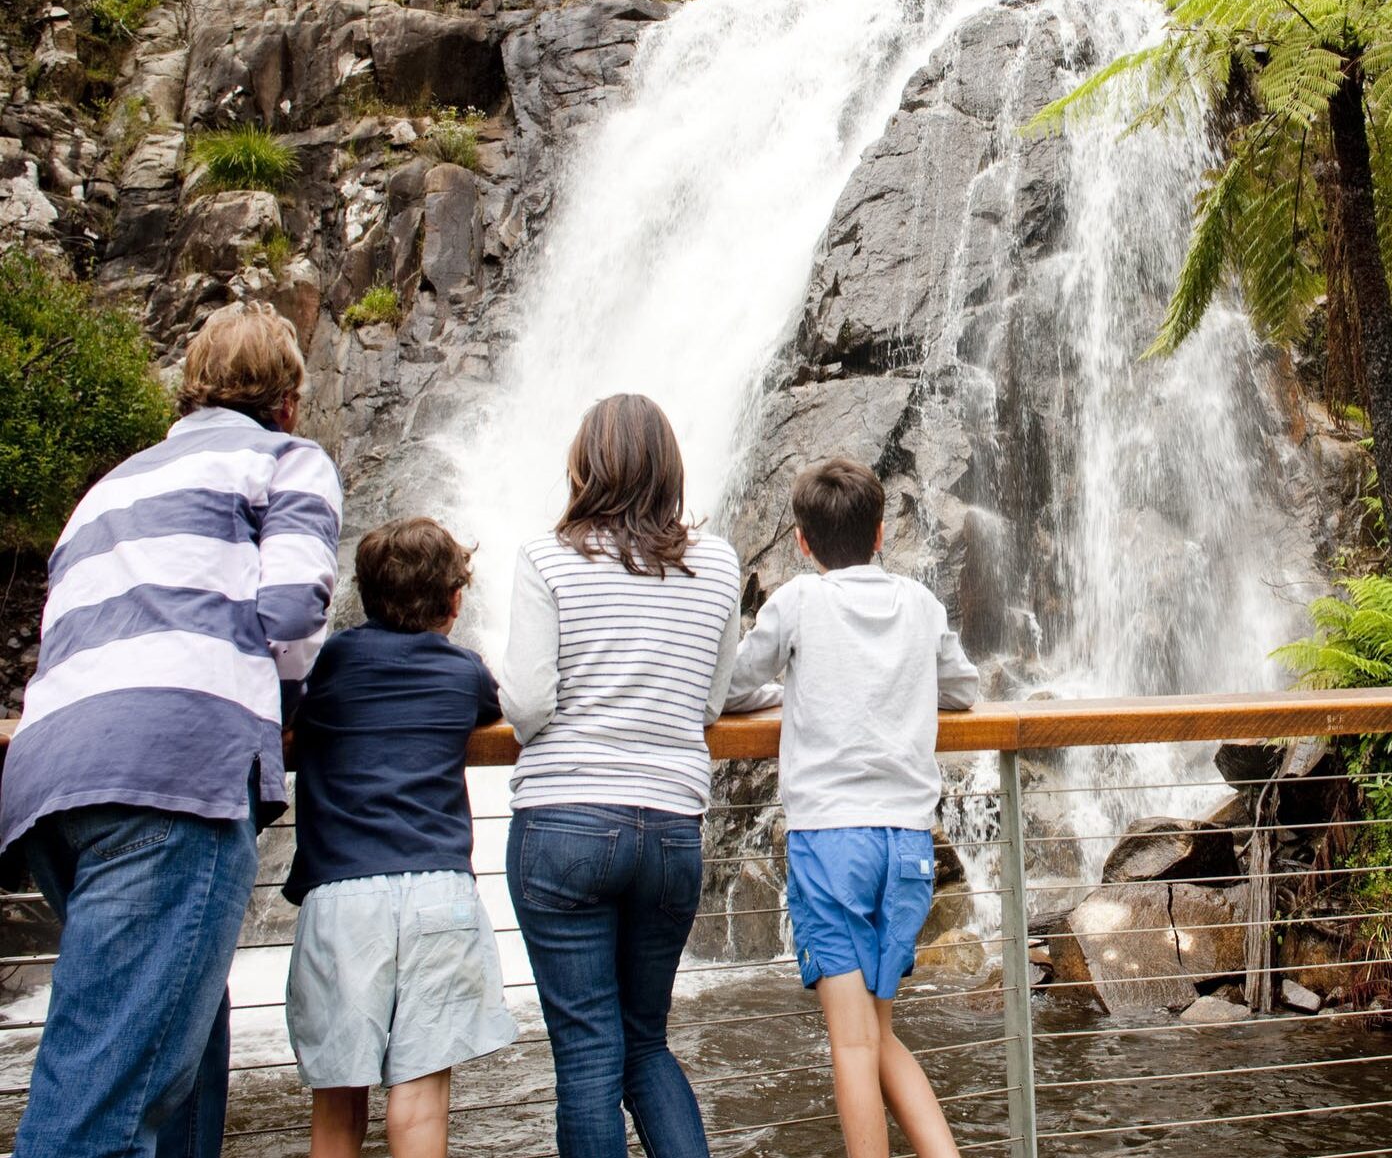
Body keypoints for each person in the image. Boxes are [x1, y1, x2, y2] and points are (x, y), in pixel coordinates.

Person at [0, 301, 342, 1158]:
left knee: (165, 1048)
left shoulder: (110, 486)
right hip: (172, 774)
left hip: (50, 778)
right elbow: (295, 608)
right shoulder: (286, 459)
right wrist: (281, 719)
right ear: (291, 400)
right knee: (107, 1096)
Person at [499, 393, 745, 1158]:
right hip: (671, 829)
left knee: (586, 1053)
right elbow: (711, 699)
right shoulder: (720, 563)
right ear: (669, 469)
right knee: (646, 1043)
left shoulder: (547, 557)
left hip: (565, 822)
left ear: (586, 464)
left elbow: (530, 704)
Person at [722, 456, 980, 1158]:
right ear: (881, 533)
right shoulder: (920, 604)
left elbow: (729, 686)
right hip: (905, 839)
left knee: (851, 1039)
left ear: (802, 544)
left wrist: (788, 690)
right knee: (879, 1029)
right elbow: (962, 688)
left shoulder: (798, 603)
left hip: (830, 839)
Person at [283, 516, 517, 1158]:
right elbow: (495, 708)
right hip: (437, 891)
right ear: (454, 601)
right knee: (418, 1102)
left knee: (336, 1102)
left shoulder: (330, 662)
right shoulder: (462, 671)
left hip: (342, 896)